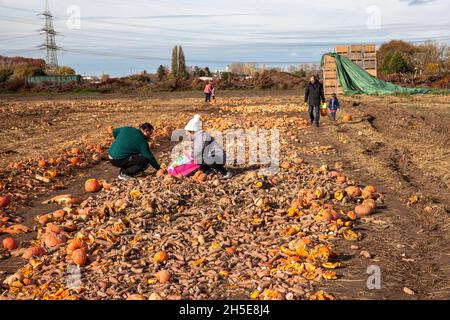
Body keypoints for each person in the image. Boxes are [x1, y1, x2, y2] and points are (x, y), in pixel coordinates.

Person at [184, 114, 232, 179]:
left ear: (193, 131)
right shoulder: (196, 138)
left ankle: (225, 172)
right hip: (211, 156)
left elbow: (200, 149)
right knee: (198, 159)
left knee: (205, 159)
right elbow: (194, 149)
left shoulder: (203, 136)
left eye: (189, 132)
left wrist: (191, 155)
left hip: (219, 157)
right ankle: (208, 170)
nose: (188, 134)